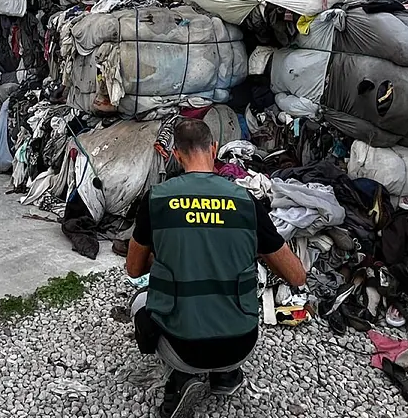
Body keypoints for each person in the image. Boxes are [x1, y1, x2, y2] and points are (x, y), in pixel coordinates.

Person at [126, 118, 307, 418]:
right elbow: (297, 275)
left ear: (177, 155)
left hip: (184, 349)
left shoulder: (156, 200)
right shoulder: (247, 203)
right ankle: (225, 375)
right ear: (214, 148)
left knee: (140, 301)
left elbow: (133, 270)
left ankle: (181, 378)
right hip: (241, 342)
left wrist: (166, 256)